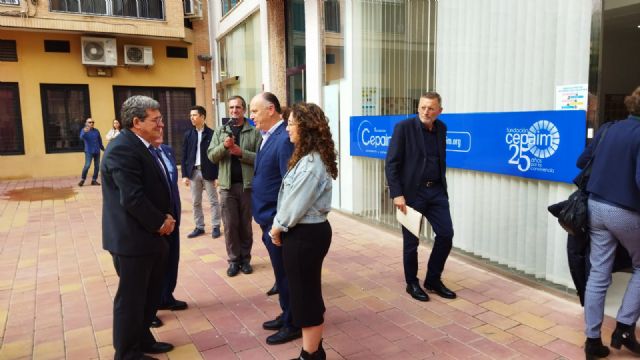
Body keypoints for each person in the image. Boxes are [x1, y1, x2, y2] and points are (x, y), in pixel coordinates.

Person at [101, 95, 175, 359]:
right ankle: (126, 352)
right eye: (156, 120)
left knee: (148, 294)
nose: (161, 124)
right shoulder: (122, 148)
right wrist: (160, 222)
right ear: (136, 122)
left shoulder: (142, 144)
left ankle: (143, 338)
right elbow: (132, 198)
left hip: (149, 238)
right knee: (131, 299)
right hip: (132, 240)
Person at [269, 102, 337, 360]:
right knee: (306, 292)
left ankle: (309, 355)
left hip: (305, 235)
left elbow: (294, 205)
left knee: (305, 297)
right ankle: (314, 351)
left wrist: (277, 229)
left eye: (291, 123)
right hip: (307, 234)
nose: (287, 128)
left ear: (305, 128)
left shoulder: (310, 163)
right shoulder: (308, 157)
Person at [577, 86, 640, 359]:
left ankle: (593, 341)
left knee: (599, 272)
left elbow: (582, 162)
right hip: (626, 211)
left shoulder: (608, 128)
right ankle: (624, 328)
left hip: (596, 207)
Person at [384, 91, 456, 302]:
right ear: (418, 108)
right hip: (412, 194)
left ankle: (433, 279)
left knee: (446, 234)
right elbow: (391, 163)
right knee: (411, 242)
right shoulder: (403, 128)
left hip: (436, 192)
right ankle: (412, 283)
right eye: (423, 107)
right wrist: (397, 194)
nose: (426, 111)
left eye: (431, 108)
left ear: (439, 111)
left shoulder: (441, 129)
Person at [249, 92, 299, 345]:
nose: (251, 116)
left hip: (277, 221)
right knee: (281, 274)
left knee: (287, 274)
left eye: (254, 111)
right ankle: (286, 313)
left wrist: (279, 223)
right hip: (267, 218)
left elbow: (289, 186)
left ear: (270, 109)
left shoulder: (283, 139)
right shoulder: (267, 137)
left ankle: (293, 323)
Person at [207, 96, 262, 277]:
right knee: (230, 225)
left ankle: (245, 259)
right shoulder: (221, 131)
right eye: (231, 108)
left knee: (245, 225)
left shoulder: (253, 132)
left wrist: (241, 153)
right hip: (226, 187)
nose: (234, 111)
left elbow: (261, 159)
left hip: (247, 186)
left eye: (238, 107)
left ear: (244, 110)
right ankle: (233, 261)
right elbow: (211, 157)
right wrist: (224, 146)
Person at [181, 105, 222, 239]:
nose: (192, 118)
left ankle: (216, 226)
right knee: (195, 202)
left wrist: (217, 176)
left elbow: (217, 156)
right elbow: (184, 155)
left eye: (194, 115)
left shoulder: (212, 134)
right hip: (193, 172)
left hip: (208, 172)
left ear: (202, 117)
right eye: (191, 115)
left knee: (213, 201)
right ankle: (199, 227)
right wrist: (185, 175)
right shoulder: (188, 134)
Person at [79, 117, 105, 186]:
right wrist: (84, 132)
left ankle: (94, 180)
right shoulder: (83, 130)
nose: (92, 123)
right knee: (87, 166)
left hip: (97, 151)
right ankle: (83, 179)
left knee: (97, 166)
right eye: (90, 122)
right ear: (86, 123)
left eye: (93, 122)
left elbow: (99, 141)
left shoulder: (96, 131)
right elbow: (81, 137)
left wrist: (104, 149)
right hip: (89, 151)